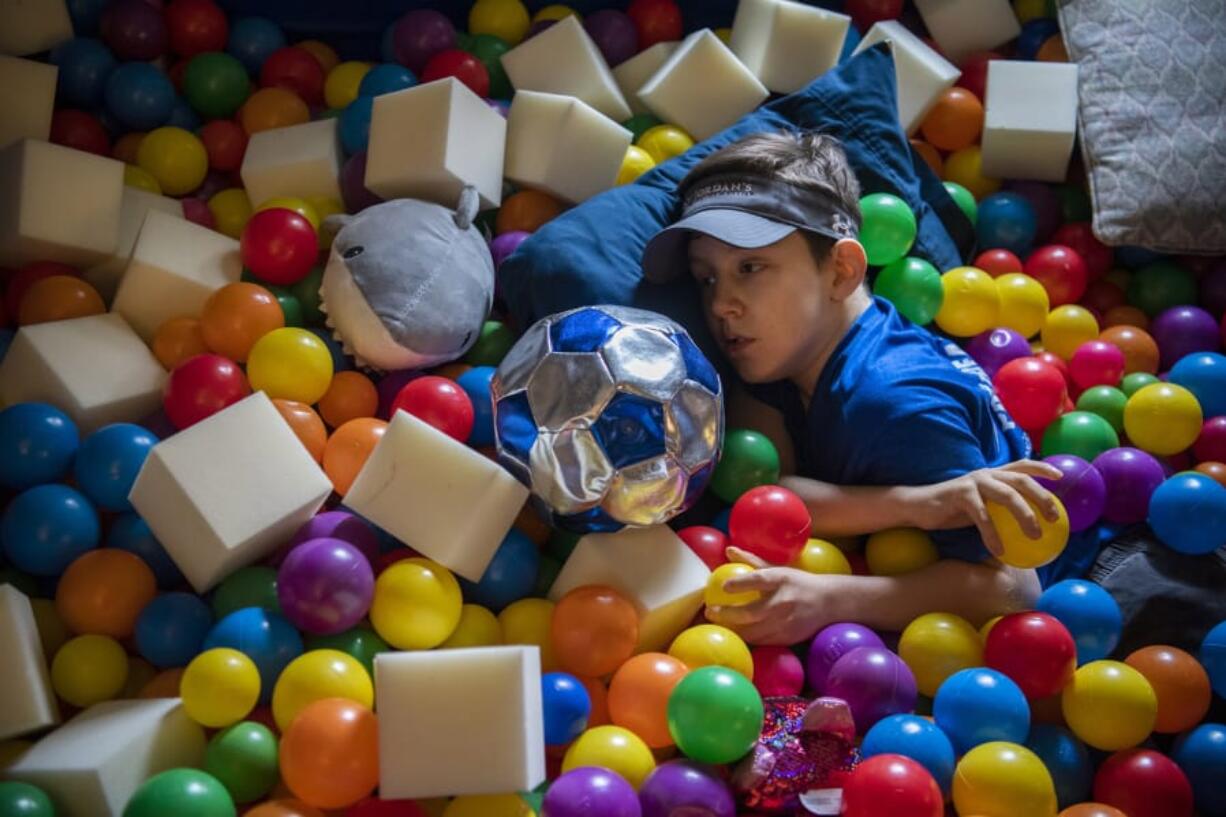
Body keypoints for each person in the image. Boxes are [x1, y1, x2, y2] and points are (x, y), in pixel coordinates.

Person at [641, 130, 1065, 646]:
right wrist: (917, 503)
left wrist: (829, 598)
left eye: (750, 267)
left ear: (841, 271)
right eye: (707, 278)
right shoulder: (783, 352)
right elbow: (770, 491)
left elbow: (1017, 586)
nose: (721, 304)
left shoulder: (891, 405)